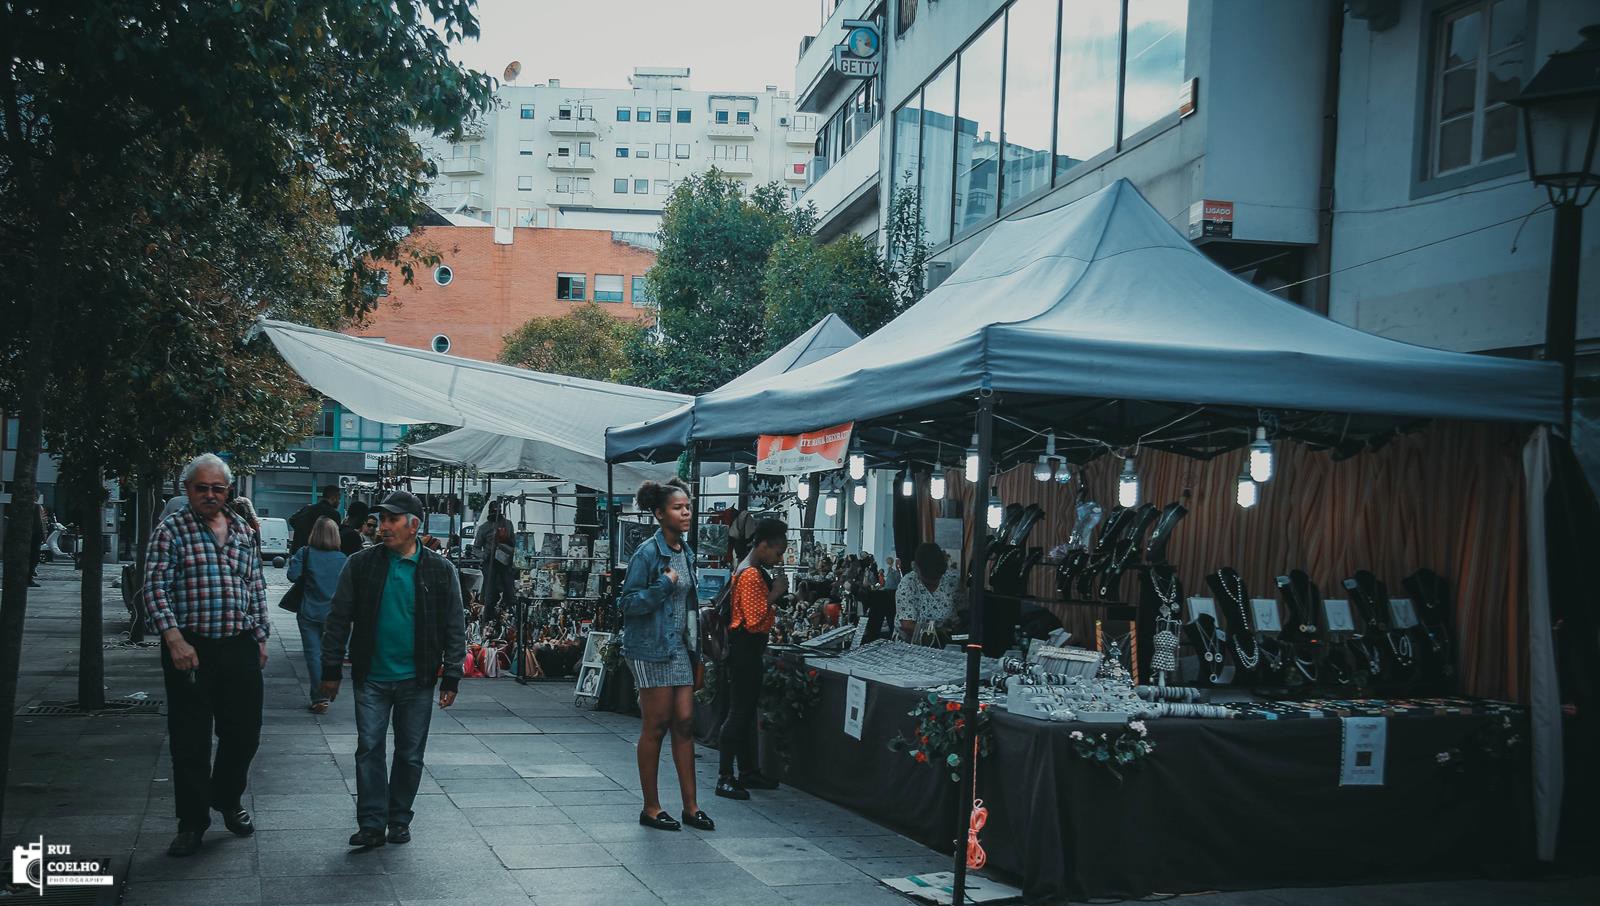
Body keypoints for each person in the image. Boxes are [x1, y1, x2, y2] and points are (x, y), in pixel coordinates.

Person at [320, 490, 465, 848]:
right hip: (372, 674)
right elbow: (338, 619)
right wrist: (331, 669)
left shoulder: (440, 569)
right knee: (368, 747)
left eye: (392, 520)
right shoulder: (361, 564)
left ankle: (399, 819)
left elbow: (454, 625)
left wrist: (452, 674)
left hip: (417, 678)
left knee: (410, 753)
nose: (383, 527)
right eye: (381, 520)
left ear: (414, 526)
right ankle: (371, 823)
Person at [143, 453, 270, 858]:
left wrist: (261, 636)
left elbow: (256, 585)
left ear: (228, 490)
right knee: (190, 740)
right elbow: (154, 589)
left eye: (218, 488)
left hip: (239, 644)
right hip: (191, 648)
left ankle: (227, 798)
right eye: (202, 488)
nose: (210, 495)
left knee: (244, 733)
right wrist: (174, 640)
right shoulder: (171, 531)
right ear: (188, 490)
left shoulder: (243, 532)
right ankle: (192, 823)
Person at [619, 478, 712, 833]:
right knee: (655, 726)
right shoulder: (647, 553)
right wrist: (663, 585)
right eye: (678, 507)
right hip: (651, 649)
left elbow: (689, 609)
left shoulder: (686, 552)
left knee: (686, 722)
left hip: (680, 648)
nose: (686, 512)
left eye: (687, 506)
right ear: (659, 514)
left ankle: (691, 806)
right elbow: (627, 603)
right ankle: (651, 807)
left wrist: (697, 653)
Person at [714, 519, 788, 800]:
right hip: (745, 649)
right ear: (763, 545)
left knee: (744, 712)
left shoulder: (746, 570)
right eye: (778, 552)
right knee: (739, 713)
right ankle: (725, 776)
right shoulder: (750, 575)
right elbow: (756, 619)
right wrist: (777, 592)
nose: (778, 558)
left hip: (746, 650)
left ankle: (747, 771)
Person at [288, 516, 348, 714]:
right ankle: (328, 687)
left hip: (309, 612)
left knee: (313, 654)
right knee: (329, 654)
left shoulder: (305, 553)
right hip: (333, 615)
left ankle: (319, 697)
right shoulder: (343, 559)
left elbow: (292, 576)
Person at [897, 542, 958, 644]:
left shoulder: (952, 580)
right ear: (917, 569)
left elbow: (963, 612)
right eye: (927, 581)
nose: (933, 585)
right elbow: (907, 625)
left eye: (936, 580)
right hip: (910, 643)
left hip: (946, 642)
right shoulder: (908, 583)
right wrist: (938, 633)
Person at [473, 501, 516, 627]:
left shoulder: (508, 524)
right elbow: (476, 548)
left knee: (510, 591)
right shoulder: (484, 527)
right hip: (490, 563)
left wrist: (505, 542)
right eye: (494, 511)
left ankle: (510, 618)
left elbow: (514, 543)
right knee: (490, 593)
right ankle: (488, 621)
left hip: (505, 562)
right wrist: (484, 555)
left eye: (498, 511)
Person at [290, 484, 342, 554]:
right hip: (322, 552)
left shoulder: (307, 509)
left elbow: (292, 520)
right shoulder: (334, 515)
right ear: (333, 497)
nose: (339, 502)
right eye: (339, 498)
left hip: (302, 551)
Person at [29, 495, 46, 587]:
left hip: (30, 535)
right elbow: (39, 523)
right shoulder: (36, 506)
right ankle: (29, 578)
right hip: (35, 536)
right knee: (33, 558)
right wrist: (43, 536)